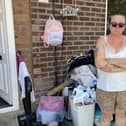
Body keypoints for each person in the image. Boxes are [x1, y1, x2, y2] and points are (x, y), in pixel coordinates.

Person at [95, 14, 126, 126]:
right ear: (109, 25)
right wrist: (122, 63)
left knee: (121, 114)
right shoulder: (102, 41)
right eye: (114, 24)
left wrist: (110, 61)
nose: (117, 27)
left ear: (124, 27)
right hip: (106, 87)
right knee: (106, 116)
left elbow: (106, 64)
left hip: (124, 88)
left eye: (121, 24)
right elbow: (99, 63)